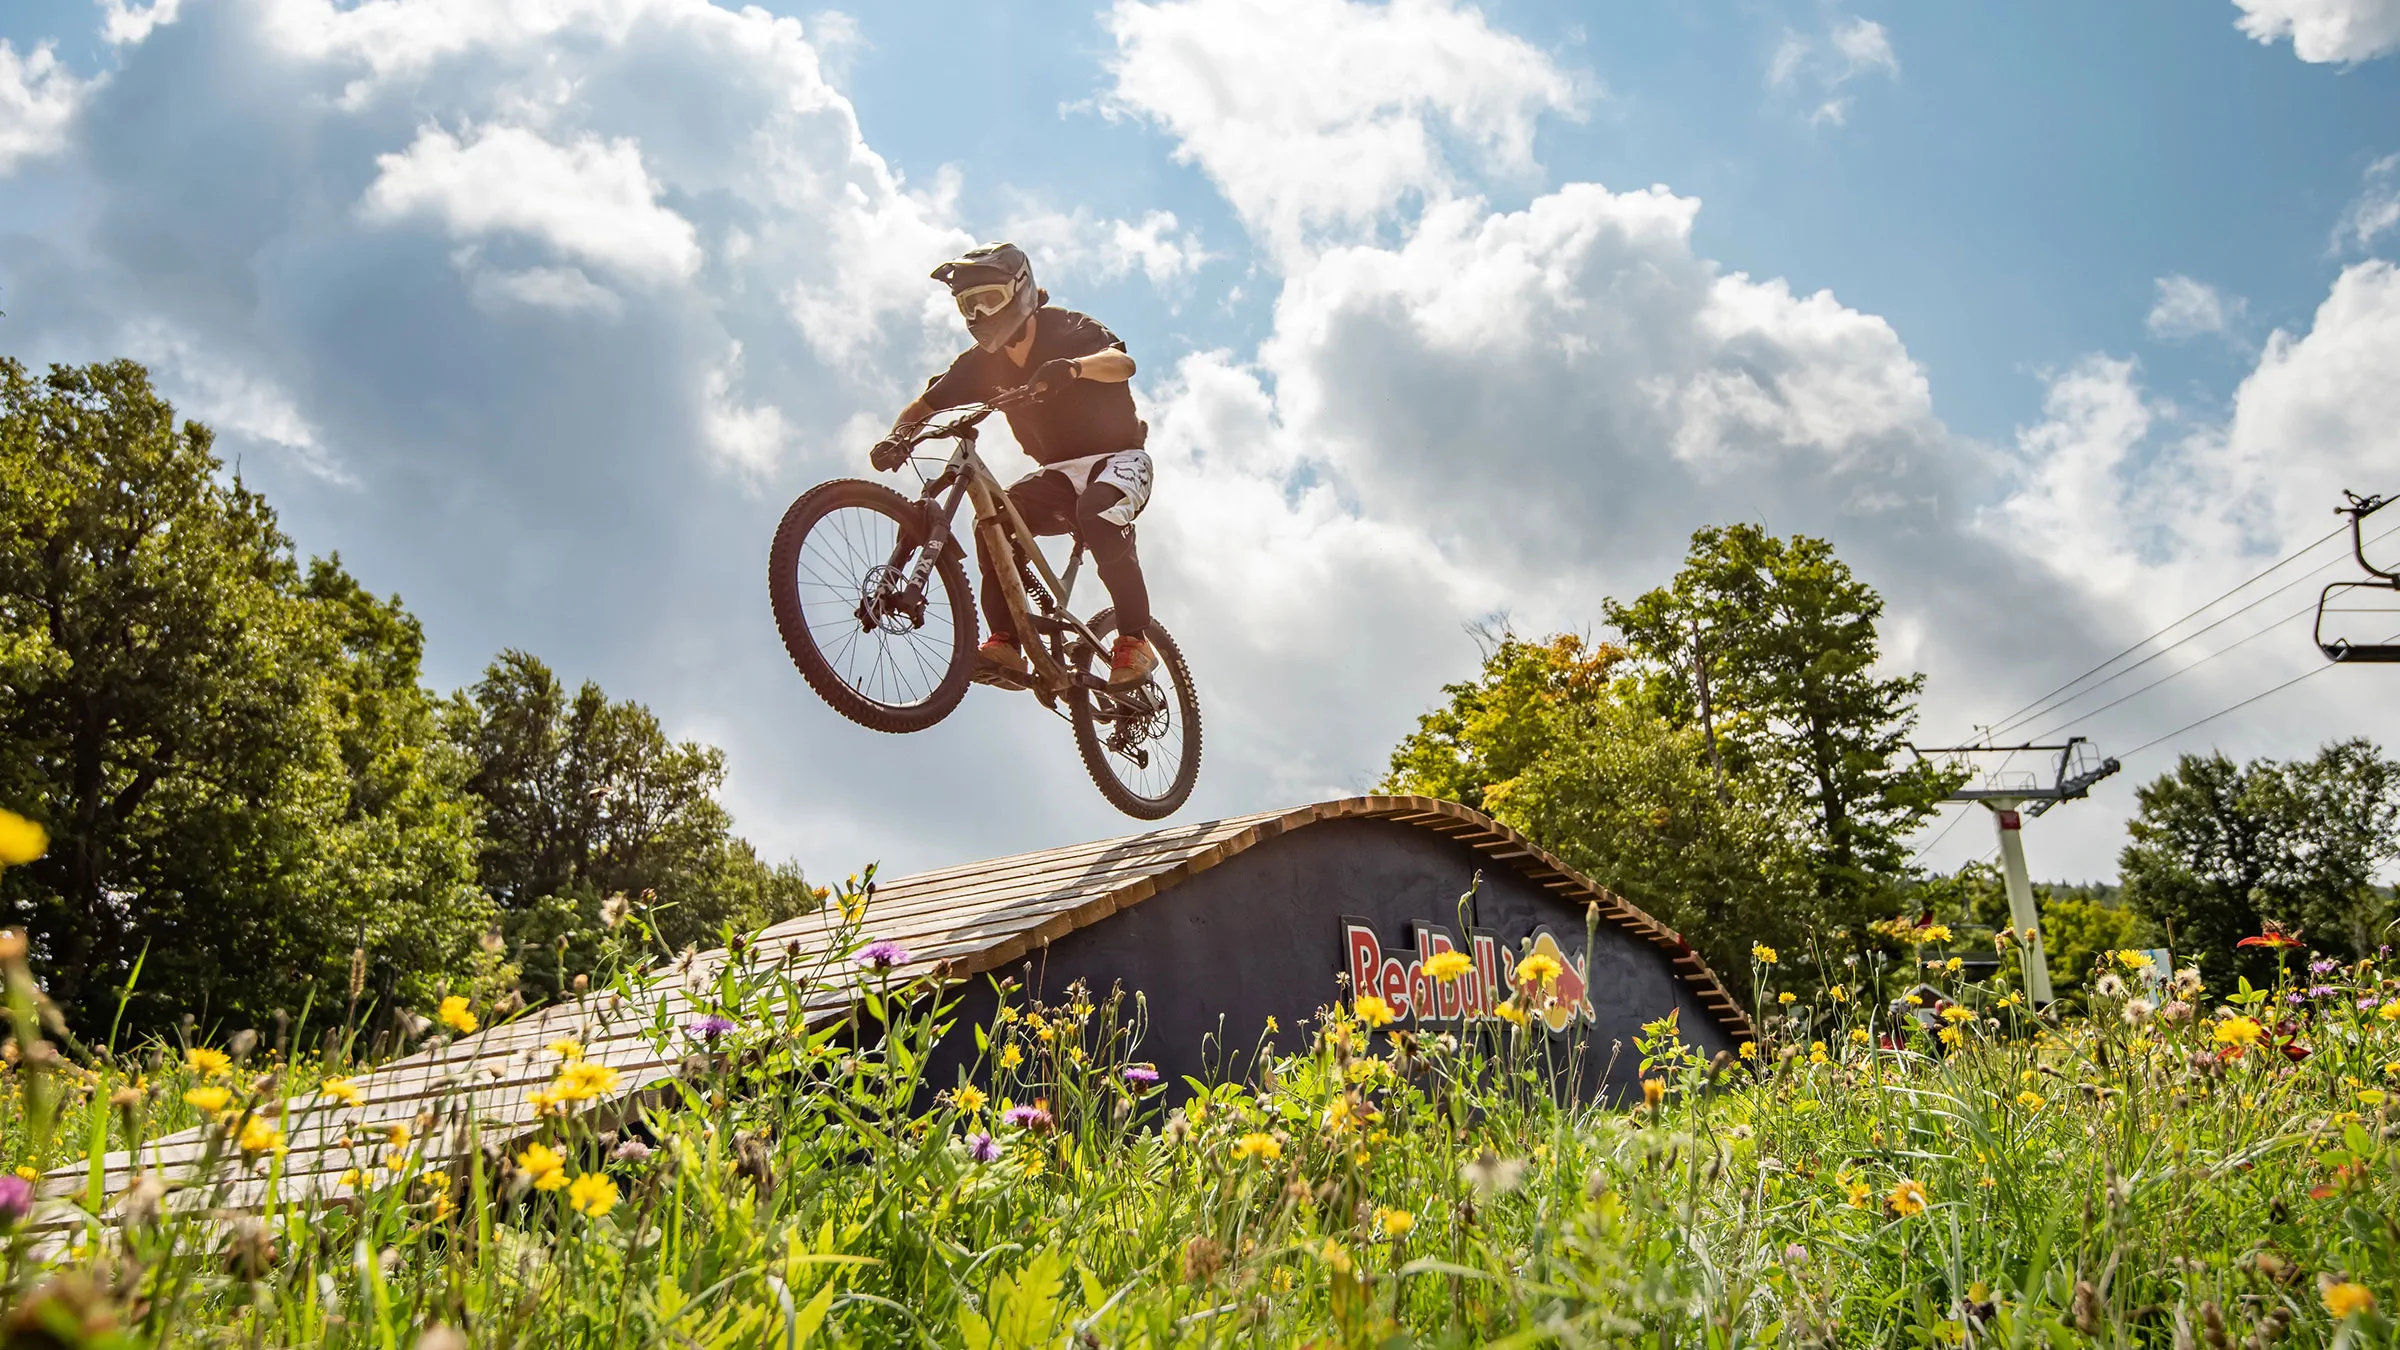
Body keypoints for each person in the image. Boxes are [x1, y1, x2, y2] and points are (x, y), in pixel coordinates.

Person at [872, 242, 1158, 687]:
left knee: (1098, 514)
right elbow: (922, 407)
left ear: (1021, 291)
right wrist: (898, 436)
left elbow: (1122, 363)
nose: (981, 313)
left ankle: (1136, 640)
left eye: (991, 298)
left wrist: (1074, 369)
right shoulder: (980, 367)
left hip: (1119, 459)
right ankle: (1006, 643)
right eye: (970, 305)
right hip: (1058, 474)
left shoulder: (1065, 328)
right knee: (994, 522)